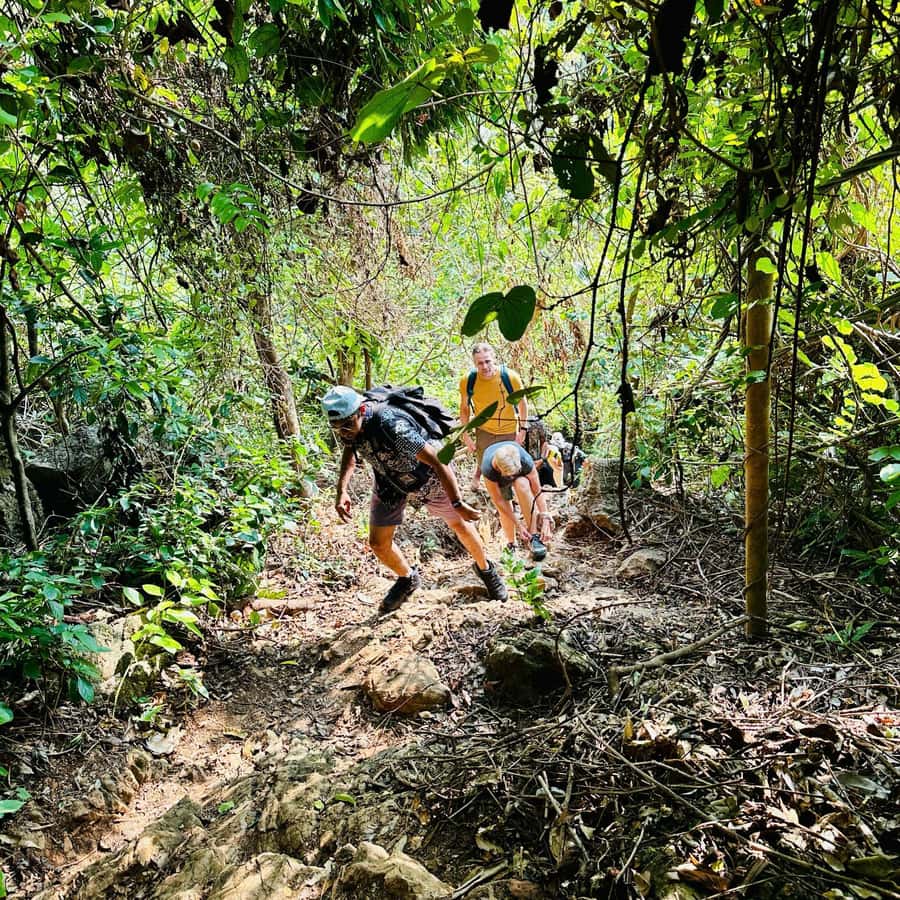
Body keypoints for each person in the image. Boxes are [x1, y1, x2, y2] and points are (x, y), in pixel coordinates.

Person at [321, 385, 508, 612]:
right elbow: (349, 454)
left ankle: (486, 569)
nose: (344, 432)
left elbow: (438, 461)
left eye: (347, 424)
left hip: (428, 479)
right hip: (389, 482)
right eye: (336, 427)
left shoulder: (389, 424)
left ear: (361, 410)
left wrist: (458, 502)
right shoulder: (349, 426)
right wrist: (342, 490)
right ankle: (407, 578)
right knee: (378, 544)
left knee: (459, 524)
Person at [459, 343, 528, 490]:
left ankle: (508, 499)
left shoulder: (510, 377)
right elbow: (464, 408)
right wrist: (465, 435)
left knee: (508, 467)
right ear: (474, 363)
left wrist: (522, 429)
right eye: (480, 363)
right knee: (486, 464)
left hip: (507, 429)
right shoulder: (468, 380)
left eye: (487, 361)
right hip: (484, 429)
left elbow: (523, 404)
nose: (484, 366)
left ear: (494, 359)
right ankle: (488, 487)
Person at [481, 442, 554, 562]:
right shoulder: (489, 469)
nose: (511, 477)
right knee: (505, 502)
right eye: (510, 475)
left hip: (518, 470)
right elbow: (498, 501)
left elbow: (537, 491)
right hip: (499, 477)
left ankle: (534, 536)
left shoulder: (525, 461)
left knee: (522, 484)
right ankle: (511, 544)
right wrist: (518, 525)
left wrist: (545, 516)